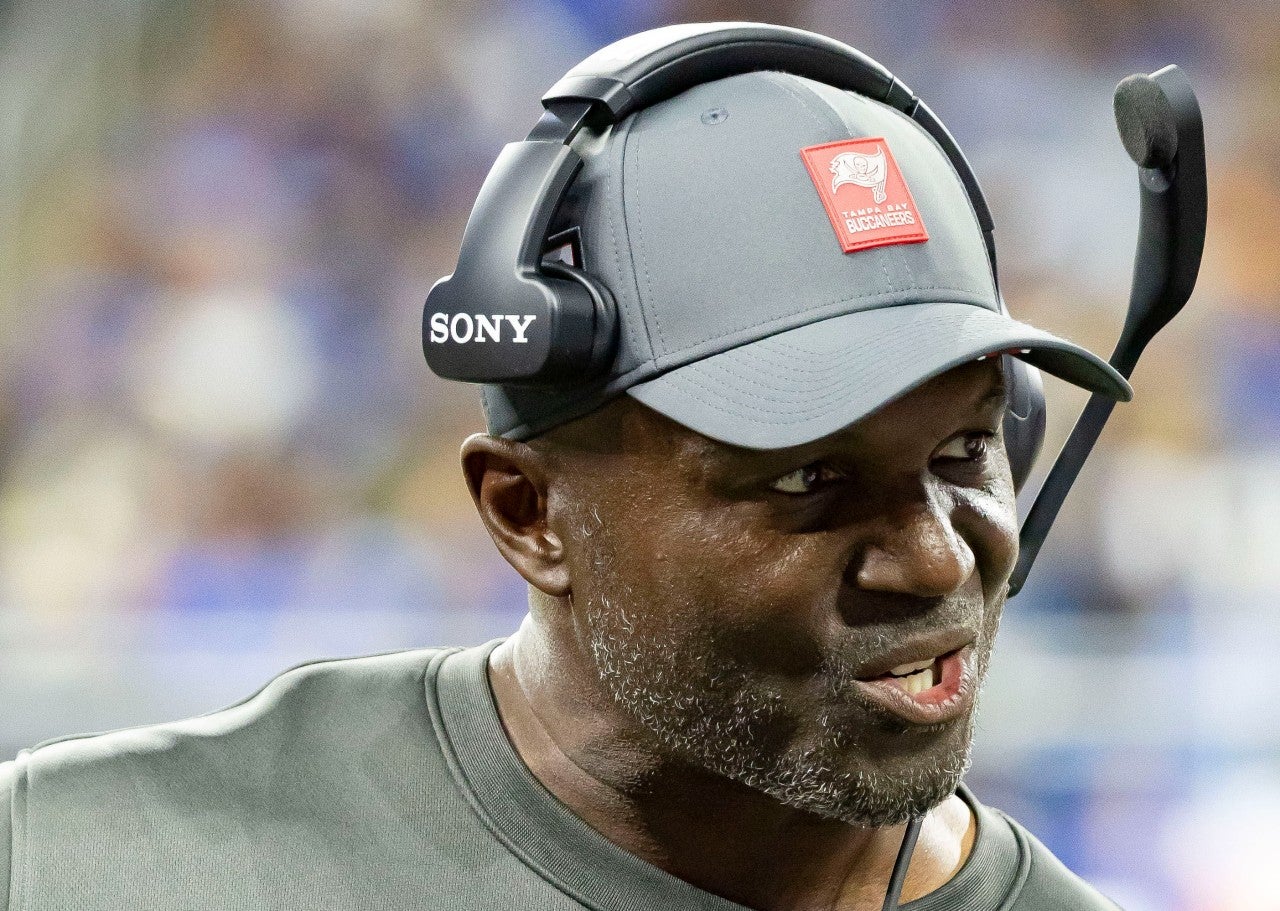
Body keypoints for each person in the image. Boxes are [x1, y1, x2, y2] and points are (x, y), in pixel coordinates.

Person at [0, 25, 1132, 911]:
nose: (936, 554)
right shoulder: (84, 856)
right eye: (807, 479)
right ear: (527, 510)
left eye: (963, 450)